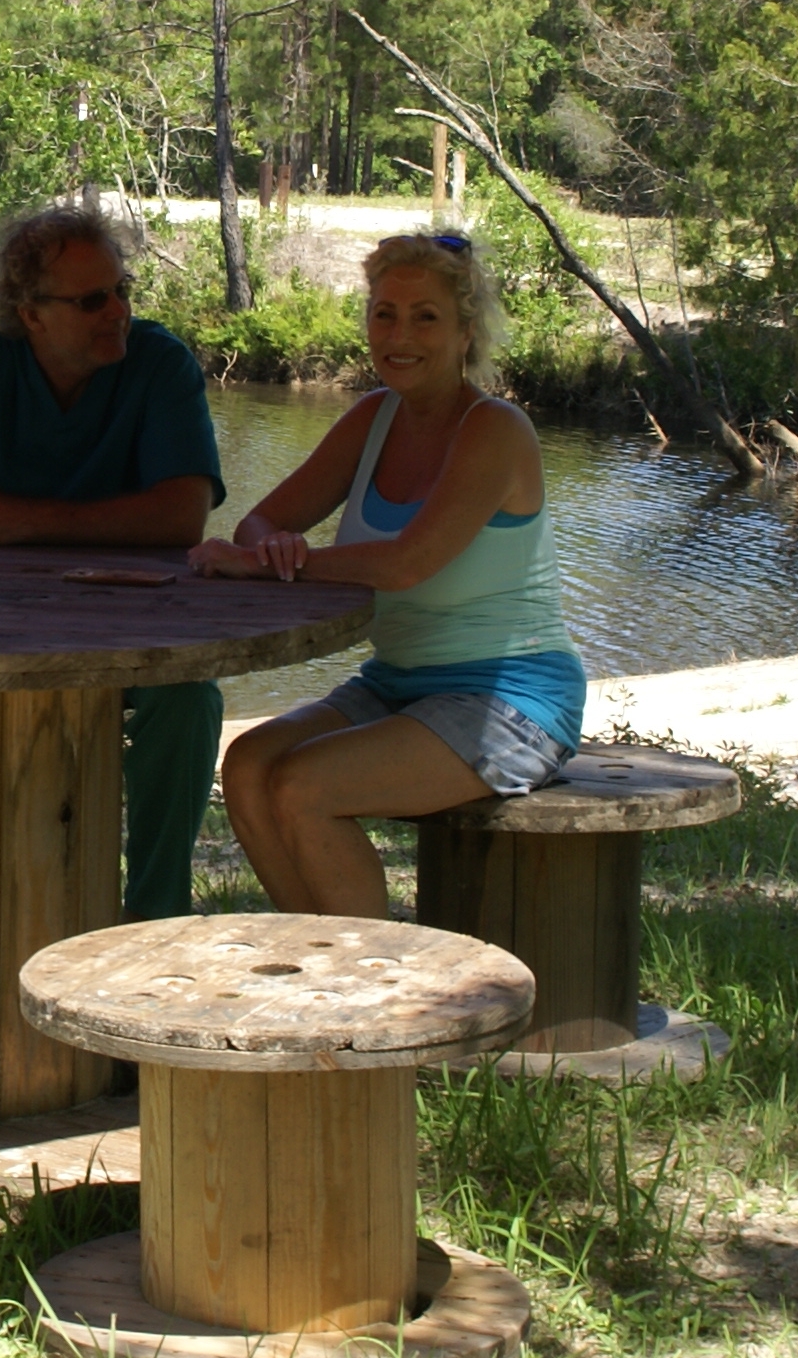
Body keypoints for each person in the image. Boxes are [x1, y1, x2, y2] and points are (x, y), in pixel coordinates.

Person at [192, 231, 580, 918]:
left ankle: (370, 972)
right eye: (384, 314)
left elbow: (408, 563)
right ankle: (321, 954)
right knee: (249, 767)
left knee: (305, 786)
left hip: (510, 700)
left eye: (425, 317)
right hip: (396, 682)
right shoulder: (373, 417)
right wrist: (272, 547)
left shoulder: (497, 428)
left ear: (465, 333)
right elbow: (260, 521)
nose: (400, 336)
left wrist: (270, 565)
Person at [0, 202, 227, 919]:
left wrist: (20, 522)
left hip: (134, 619)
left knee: (188, 698)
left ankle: (155, 915)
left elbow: (183, 514)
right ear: (30, 314)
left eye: (122, 290)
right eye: (92, 300)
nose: (117, 311)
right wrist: (104, 523)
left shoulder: (161, 363)